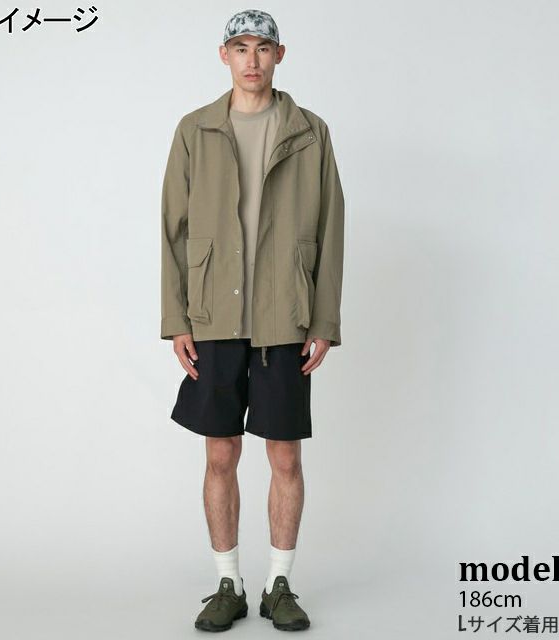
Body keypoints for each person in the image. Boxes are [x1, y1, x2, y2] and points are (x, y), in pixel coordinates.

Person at [160, 8, 345, 632]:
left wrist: (323, 319)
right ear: (224, 55)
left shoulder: (310, 132)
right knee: (220, 455)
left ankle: (278, 584)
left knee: (285, 457)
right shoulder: (195, 130)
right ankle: (228, 583)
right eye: (240, 47)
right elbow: (172, 230)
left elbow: (331, 229)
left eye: (262, 48)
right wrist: (176, 318)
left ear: (279, 55)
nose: (252, 59)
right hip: (214, 314)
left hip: (284, 315)